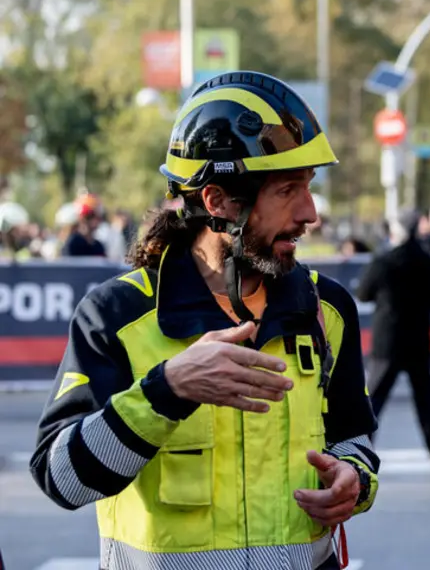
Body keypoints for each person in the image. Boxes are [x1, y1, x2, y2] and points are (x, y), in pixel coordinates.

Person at [29, 72, 380, 569]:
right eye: (287, 191)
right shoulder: (116, 315)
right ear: (217, 202)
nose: (310, 213)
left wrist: (353, 479)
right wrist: (167, 390)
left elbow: (354, 437)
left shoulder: (327, 309)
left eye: (308, 186)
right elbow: (62, 479)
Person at [356, 207, 430, 475]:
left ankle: (359, 454)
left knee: (373, 401)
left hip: (387, 341)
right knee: (425, 401)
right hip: (418, 340)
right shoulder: (428, 262)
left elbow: (363, 293)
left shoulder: (383, 261)